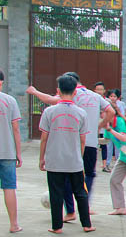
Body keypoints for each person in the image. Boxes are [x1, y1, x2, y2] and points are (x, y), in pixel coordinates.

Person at [27, 72, 113, 216]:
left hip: (73, 143)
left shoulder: (71, 94)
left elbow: (50, 100)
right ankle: (85, 206)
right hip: (91, 142)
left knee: (66, 176)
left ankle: (71, 211)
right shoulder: (95, 96)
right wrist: (99, 126)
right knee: (89, 174)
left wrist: (34, 92)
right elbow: (110, 111)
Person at [38, 74, 93, 233]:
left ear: (58, 91)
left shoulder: (49, 112)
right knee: (80, 192)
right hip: (74, 161)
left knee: (56, 193)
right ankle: (87, 225)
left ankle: (57, 227)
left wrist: (42, 158)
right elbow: (82, 140)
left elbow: (44, 138)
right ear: (75, 92)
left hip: (54, 160)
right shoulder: (81, 113)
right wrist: (79, 157)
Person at [0, 69, 22, 233]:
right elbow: (16, 129)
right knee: (9, 188)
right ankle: (14, 225)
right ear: (1, 82)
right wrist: (18, 153)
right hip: (7, 151)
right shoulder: (10, 100)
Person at [106, 89, 125, 169]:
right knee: (109, 147)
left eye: (114, 96)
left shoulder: (121, 104)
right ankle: (107, 163)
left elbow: (122, 115)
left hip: (118, 128)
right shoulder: (106, 104)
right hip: (110, 127)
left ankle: (119, 162)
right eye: (111, 96)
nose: (113, 98)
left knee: (118, 146)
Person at [95, 82, 111, 172]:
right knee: (94, 146)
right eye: (98, 89)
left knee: (105, 146)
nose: (99, 91)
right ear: (94, 90)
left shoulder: (107, 101)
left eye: (101, 89)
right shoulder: (92, 100)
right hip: (95, 126)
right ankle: (93, 166)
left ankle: (105, 165)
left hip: (105, 127)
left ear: (104, 91)